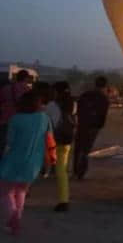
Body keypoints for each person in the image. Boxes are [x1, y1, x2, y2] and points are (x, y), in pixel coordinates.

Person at [0, 91, 56, 235]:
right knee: (21, 191)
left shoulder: (16, 119)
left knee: (5, 192)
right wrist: (50, 160)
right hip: (33, 163)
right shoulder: (44, 118)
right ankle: (16, 220)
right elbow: (49, 139)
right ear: (38, 104)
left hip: (13, 160)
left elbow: (9, 143)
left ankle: (13, 219)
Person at [73, 76, 109, 180]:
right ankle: (81, 172)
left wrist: (80, 120)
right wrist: (100, 125)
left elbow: (78, 109)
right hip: (93, 126)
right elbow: (103, 115)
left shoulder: (85, 95)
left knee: (78, 146)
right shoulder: (103, 98)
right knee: (86, 149)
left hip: (83, 124)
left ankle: (76, 169)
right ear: (105, 86)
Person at [52, 81, 76, 212]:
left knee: (59, 170)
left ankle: (63, 200)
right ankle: (63, 199)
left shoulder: (54, 105)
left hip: (54, 139)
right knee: (62, 169)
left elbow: (52, 122)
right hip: (67, 138)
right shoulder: (72, 103)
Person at [0, 70, 31, 157]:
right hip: (20, 121)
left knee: (3, 144)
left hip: (5, 120)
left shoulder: (6, 88)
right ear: (26, 78)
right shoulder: (27, 90)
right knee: (17, 145)